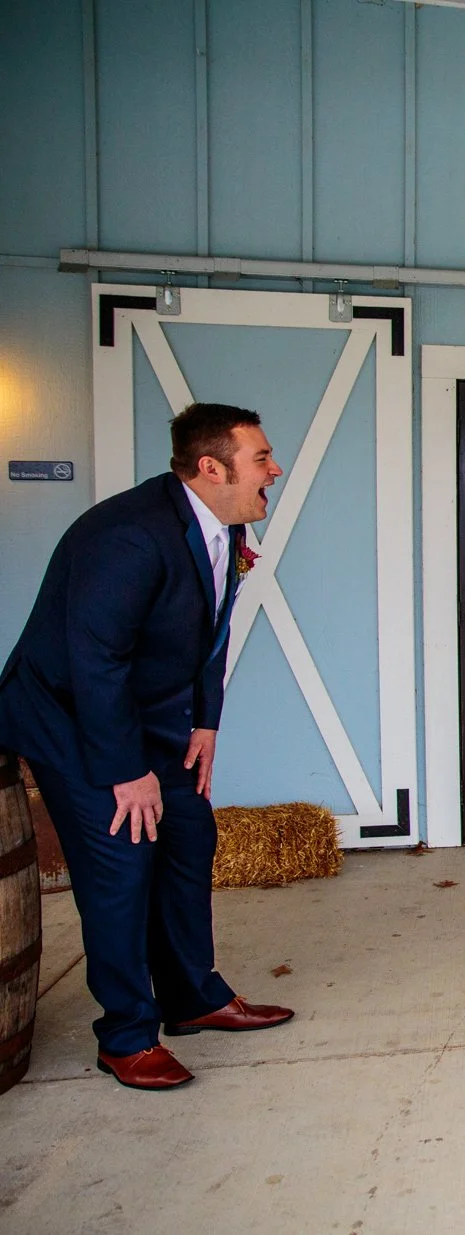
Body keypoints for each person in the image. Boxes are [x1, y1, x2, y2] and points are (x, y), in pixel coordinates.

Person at [0, 403, 295, 1090]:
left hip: (151, 713)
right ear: (211, 467)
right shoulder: (130, 536)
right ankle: (127, 1034)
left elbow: (208, 637)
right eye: (261, 457)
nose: (274, 469)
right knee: (123, 861)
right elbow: (93, 657)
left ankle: (194, 996)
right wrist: (126, 770)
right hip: (71, 717)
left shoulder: (221, 528)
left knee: (189, 832)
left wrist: (206, 721)